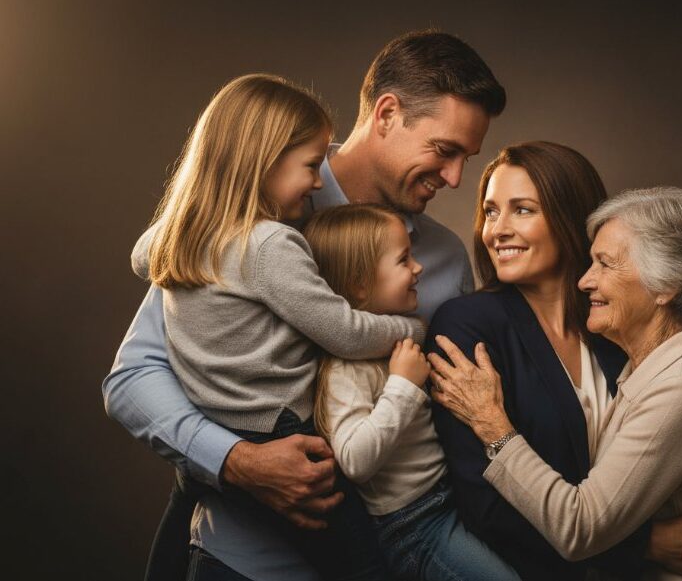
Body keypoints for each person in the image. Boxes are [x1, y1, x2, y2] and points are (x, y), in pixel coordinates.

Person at [103, 30, 505, 581]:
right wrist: (239, 463)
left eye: (467, 157)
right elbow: (132, 378)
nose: (457, 178)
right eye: (445, 150)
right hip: (243, 560)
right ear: (387, 114)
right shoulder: (253, 208)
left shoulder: (443, 257)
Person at [425, 143, 682, 581]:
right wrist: (644, 546)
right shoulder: (468, 325)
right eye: (490, 211)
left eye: (522, 210)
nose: (497, 229)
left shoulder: (616, 322)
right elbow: (484, 507)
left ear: (567, 217)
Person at [303, 203, 520, 580]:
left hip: (447, 500)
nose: (418, 268)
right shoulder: (347, 368)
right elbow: (355, 460)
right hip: (414, 525)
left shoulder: (395, 340)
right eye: (404, 260)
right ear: (358, 282)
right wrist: (403, 385)